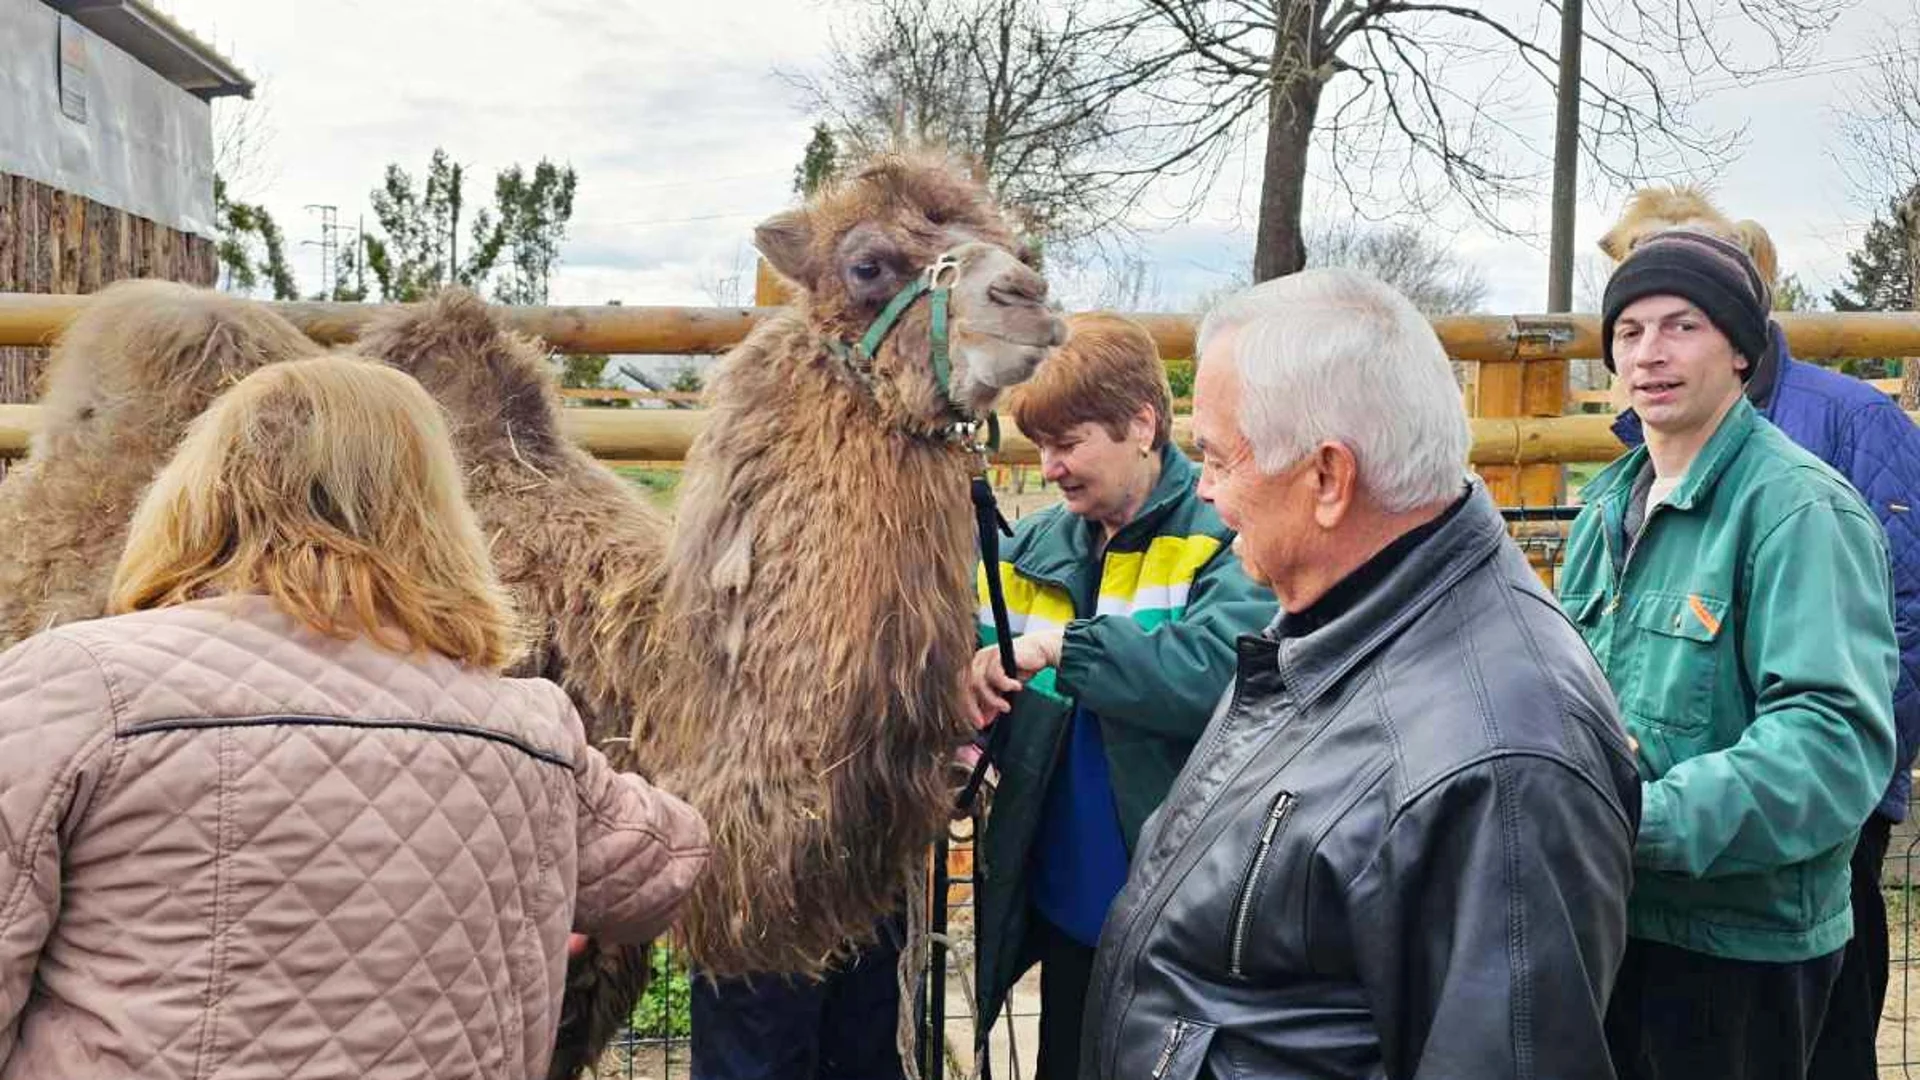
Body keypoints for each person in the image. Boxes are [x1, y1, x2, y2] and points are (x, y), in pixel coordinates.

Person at [0, 355, 710, 1080]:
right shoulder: (526, 726)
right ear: (437, 517)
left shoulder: (77, 687)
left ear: (197, 494)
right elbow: (669, 864)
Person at [1081, 268, 1639, 1080]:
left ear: (1329, 478)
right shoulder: (1335, 616)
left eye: (1218, 458)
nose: (1203, 490)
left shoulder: (1501, 764)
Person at [1558, 229, 1899, 1080]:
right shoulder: (1605, 511)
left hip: (1738, 951)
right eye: (1629, 332)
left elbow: (1832, 746)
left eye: (1683, 326)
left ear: (1742, 351)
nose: (1650, 354)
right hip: (1612, 922)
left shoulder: (1798, 511)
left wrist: (1638, 819)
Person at [960, 312, 1275, 1078]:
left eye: (1069, 444)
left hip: (1186, 920)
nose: (1052, 467)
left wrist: (1063, 647)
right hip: (1069, 908)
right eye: (1041, 447)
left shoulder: (1224, 535)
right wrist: (965, 687)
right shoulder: (1028, 549)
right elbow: (970, 650)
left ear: (1141, 424)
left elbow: (1218, 672)